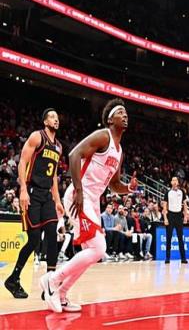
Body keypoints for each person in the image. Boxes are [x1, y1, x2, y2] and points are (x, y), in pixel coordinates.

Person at [39, 98, 137, 313]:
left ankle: (61, 294)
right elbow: (74, 154)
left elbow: (114, 185)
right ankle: (52, 281)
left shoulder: (119, 151)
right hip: (79, 196)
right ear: (110, 119)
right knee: (99, 248)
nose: (125, 115)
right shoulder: (103, 136)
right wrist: (79, 191)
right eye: (120, 112)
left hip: (91, 201)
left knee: (89, 254)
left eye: (126, 112)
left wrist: (129, 188)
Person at [4, 108, 64, 299]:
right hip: (31, 192)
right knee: (34, 239)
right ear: (45, 121)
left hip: (47, 196)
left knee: (53, 234)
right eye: (52, 117)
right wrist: (22, 189)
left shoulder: (59, 146)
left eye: (57, 117)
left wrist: (58, 200)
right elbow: (22, 161)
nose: (56, 120)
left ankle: (50, 284)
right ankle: (13, 279)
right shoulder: (37, 137)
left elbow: (53, 176)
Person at [162, 176, 188, 264]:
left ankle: (183, 258)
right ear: (171, 182)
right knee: (168, 237)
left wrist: (185, 216)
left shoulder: (182, 192)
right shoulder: (168, 193)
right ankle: (167, 258)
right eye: (173, 180)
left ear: (178, 182)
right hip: (170, 215)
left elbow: (185, 205)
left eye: (176, 180)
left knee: (180, 237)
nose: (175, 182)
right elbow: (164, 206)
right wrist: (165, 218)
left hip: (179, 215)